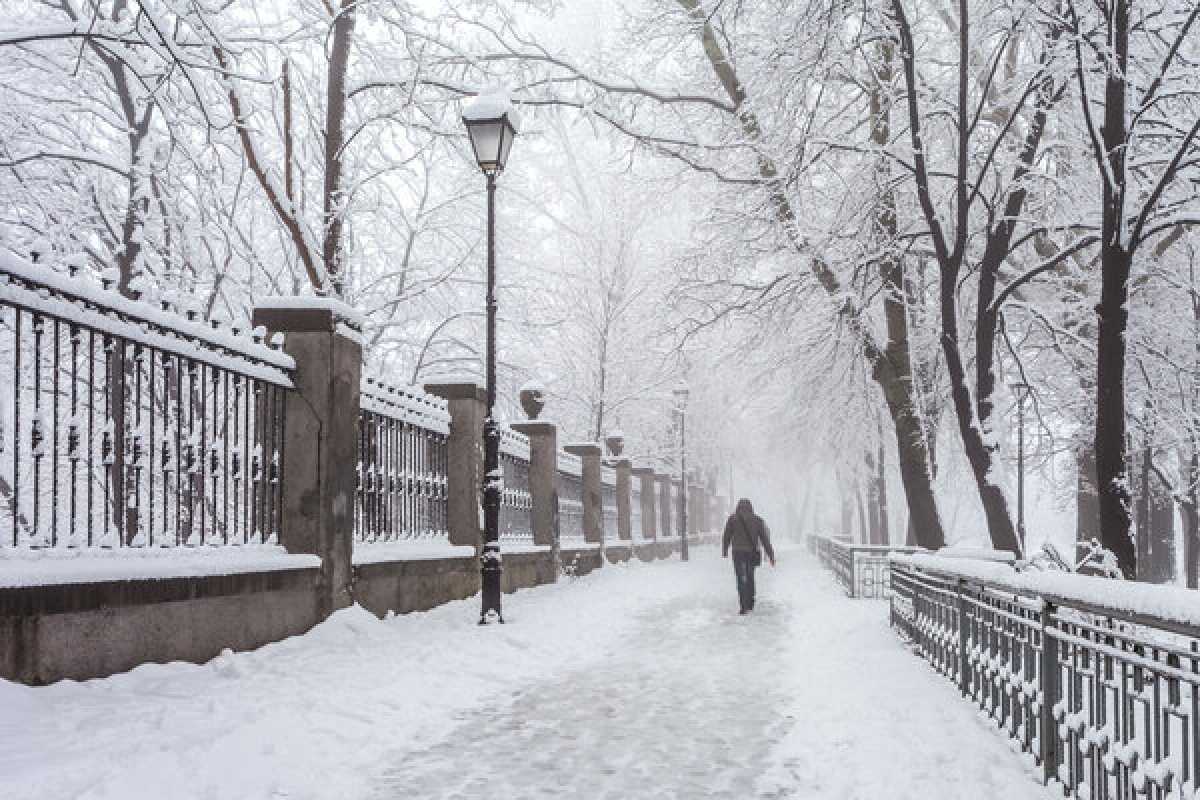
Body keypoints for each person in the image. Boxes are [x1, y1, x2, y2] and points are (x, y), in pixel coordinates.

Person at [721, 498, 776, 614]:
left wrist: (725, 550)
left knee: (741, 578)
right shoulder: (757, 520)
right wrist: (771, 555)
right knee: (750, 576)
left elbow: (726, 535)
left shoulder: (733, 519)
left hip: (738, 552)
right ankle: (750, 602)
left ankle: (743, 606)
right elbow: (765, 539)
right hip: (751, 552)